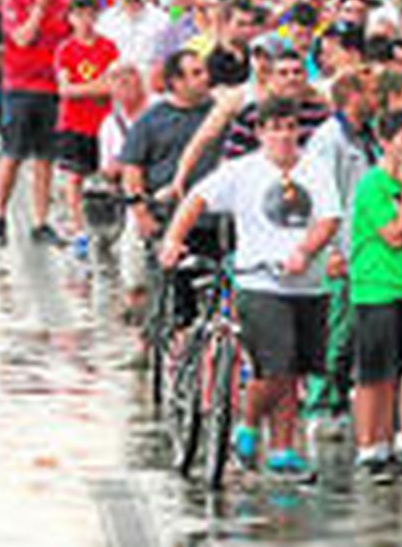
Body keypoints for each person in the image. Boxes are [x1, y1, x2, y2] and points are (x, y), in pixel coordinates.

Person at [161, 96, 342, 483]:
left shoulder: (315, 169)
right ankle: (247, 424)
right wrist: (173, 239)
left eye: (290, 127)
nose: (283, 136)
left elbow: (328, 219)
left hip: (308, 284)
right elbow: (196, 199)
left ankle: (282, 450)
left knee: (294, 371)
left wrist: (306, 251)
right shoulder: (242, 171)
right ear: (260, 133)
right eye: (274, 128)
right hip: (260, 281)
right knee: (275, 365)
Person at [348, 109, 402, 483]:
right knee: (373, 372)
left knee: (395, 371)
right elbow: (394, 233)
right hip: (376, 287)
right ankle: (367, 446)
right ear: (385, 143)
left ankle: (385, 442)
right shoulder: (373, 184)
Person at [301, 70, 379, 438]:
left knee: (352, 332)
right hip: (338, 251)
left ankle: (338, 401)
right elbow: (318, 196)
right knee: (333, 332)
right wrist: (329, 249)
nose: (378, 98)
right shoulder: (328, 140)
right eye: (372, 91)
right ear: (352, 96)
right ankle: (319, 404)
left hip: (364, 251)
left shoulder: (367, 137)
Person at [117, 50, 222, 313]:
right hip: (169, 216)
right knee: (173, 295)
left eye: (203, 71)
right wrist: (141, 214)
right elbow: (132, 168)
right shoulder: (151, 119)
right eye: (196, 73)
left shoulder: (218, 113)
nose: (205, 78)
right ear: (176, 82)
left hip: (213, 218)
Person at [0, 0, 71, 247]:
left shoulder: (64, 6)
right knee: (12, 154)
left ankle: (40, 221)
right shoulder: (15, 0)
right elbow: (22, 38)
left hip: (51, 88)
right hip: (19, 86)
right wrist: (39, 7)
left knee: (45, 158)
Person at [54, 0, 120, 256]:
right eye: (78, 15)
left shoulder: (108, 47)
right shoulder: (66, 49)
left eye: (90, 15)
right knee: (74, 177)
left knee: (110, 175)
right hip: (74, 122)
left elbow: (112, 85)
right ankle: (79, 229)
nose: (84, 21)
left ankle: (112, 227)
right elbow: (64, 90)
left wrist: (83, 89)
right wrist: (96, 87)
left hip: (103, 124)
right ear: (70, 18)